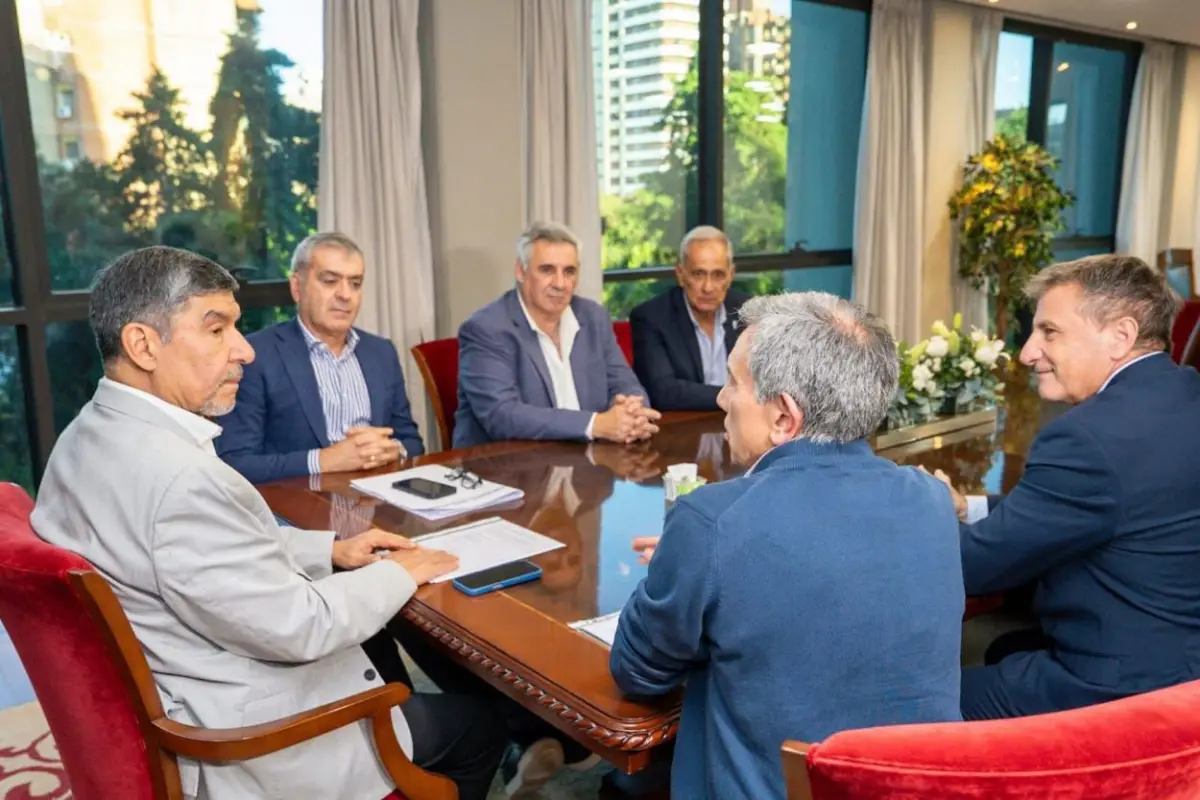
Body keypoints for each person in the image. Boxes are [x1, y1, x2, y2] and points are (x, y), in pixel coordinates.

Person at [31, 246, 506, 800]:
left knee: (387, 649)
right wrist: (404, 570)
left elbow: (200, 553)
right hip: (250, 737)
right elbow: (305, 626)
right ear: (143, 345)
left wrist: (327, 550)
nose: (244, 351)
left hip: (186, 676)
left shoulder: (83, 436)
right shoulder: (182, 479)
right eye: (216, 329)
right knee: (479, 725)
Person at [610, 292, 965, 800]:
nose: (721, 399)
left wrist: (683, 561)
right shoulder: (932, 501)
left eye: (734, 383)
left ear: (783, 418)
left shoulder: (710, 522)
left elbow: (637, 671)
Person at [930, 254, 1200, 721]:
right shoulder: (1184, 392)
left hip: (1119, 694)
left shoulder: (1087, 438)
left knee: (913, 702)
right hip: (1179, 665)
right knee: (1003, 647)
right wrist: (968, 508)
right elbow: (1086, 506)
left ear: (1121, 336)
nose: (1027, 352)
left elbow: (972, 567)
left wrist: (914, 512)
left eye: (1049, 332)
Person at [216, 232, 424, 485]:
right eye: (330, 281)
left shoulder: (381, 352)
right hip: (301, 500)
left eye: (355, 283)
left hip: (378, 494)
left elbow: (412, 442)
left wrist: (394, 450)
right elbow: (236, 463)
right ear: (297, 287)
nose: (345, 295)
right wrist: (324, 461)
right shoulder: (255, 355)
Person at [453, 220, 661, 448]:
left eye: (569, 271)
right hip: (505, 463)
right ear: (521, 271)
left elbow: (625, 383)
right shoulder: (486, 328)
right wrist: (596, 424)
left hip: (588, 459)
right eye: (547, 270)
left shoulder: (593, 317)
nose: (560, 284)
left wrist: (633, 412)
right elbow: (501, 415)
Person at [628, 226, 750, 410]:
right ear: (680, 274)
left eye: (718, 275)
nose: (708, 287)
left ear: (730, 275)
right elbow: (664, 392)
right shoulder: (651, 318)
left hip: (742, 421)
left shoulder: (748, 311)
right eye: (698, 274)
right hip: (683, 424)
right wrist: (734, 396)